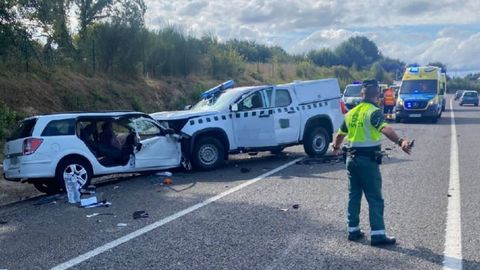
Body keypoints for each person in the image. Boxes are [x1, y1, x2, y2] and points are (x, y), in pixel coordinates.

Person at [331, 80, 412, 246]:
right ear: (377, 96)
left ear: (361, 94)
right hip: (367, 161)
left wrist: (336, 147)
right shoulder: (374, 112)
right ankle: (378, 234)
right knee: (374, 197)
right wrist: (401, 141)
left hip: (351, 160)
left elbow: (340, 135)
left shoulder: (351, 113)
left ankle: (352, 230)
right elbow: (385, 128)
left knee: (354, 195)